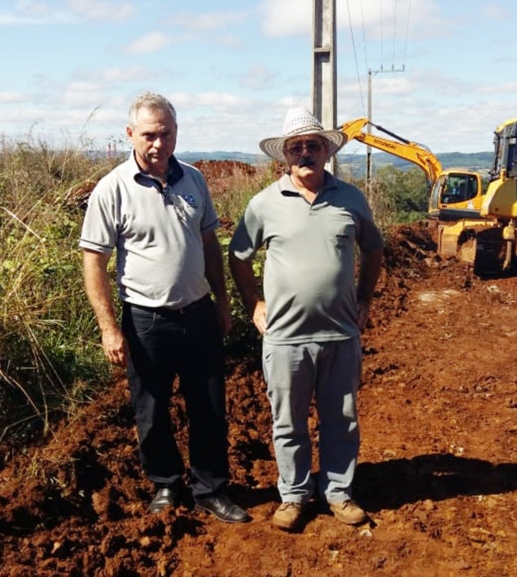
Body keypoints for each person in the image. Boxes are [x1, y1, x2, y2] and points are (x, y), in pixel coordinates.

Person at [80, 92, 250, 524]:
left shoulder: (194, 180)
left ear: (176, 133)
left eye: (167, 133)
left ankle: (211, 489)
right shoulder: (112, 189)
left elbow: (210, 243)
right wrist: (108, 328)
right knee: (151, 410)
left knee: (209, 407)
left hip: (198, 313)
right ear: (130, 134)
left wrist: (223, 301)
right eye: (150, 135)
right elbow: (93, 261)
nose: (159, 143)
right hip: (146, 321)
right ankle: (168, 484)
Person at [228, 107, 384, 531]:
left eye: (313, 146)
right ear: (285, 156)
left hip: (340, 333)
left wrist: (366, 299)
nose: (304, 154)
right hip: (284, 338)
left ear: (326, 151)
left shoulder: (350, 199)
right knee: (288, 421)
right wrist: (253, 305)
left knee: (341, 418)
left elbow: (374, 249)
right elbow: (238, 258)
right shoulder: (263, 204)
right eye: (296, 147)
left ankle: (338, 492)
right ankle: (294, 495)